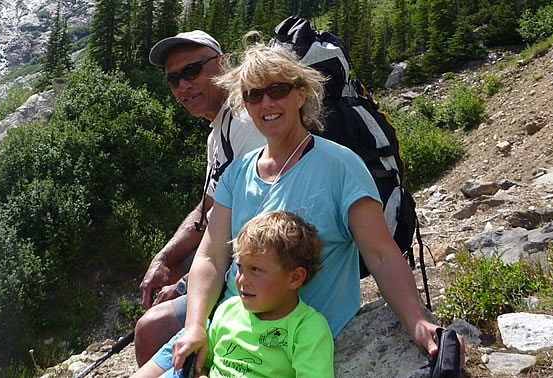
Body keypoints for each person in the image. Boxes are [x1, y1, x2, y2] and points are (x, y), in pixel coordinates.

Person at [139, 35, 465, 377]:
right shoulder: (238, 172)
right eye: (253, 94)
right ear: (244, 104)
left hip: (286, 345)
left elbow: (381, 254)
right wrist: (195, 326)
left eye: (277, 89)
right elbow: (210, 256)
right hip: (226, 327)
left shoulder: (340, 166)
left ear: (301, 93)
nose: (266, 103)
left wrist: (415, 321)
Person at [135, 30, 266, 366]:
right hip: (235, 258)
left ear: (222, 63)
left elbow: (252, 221)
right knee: (175, 268)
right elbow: (208, 208)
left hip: (259, 267)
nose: (182, 86)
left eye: (192, 72)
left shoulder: (244, 123)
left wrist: (183, 286)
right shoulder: (219, 130)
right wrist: (164, 259)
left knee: (149, 329)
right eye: (173, 79)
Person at [198, 210, 334, 377]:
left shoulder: (307, 328)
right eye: (240, 267)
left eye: (255, 269)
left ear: (295, 278)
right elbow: (203, 365)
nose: (241, 280)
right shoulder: (227, 310)